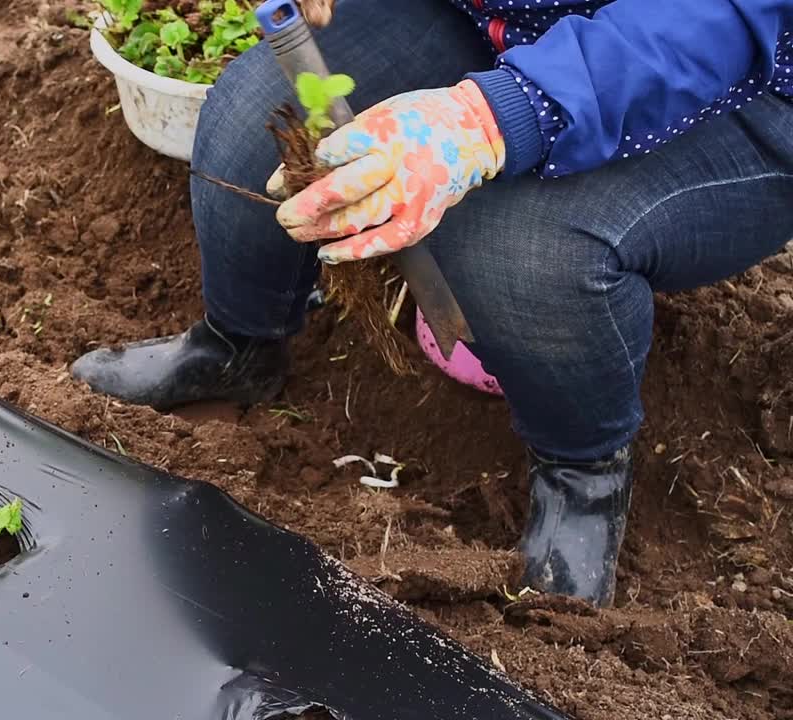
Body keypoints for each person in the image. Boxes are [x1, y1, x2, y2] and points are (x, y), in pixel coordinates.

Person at [71, 0, 793, 607]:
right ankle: (238, 346)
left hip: (731, 71)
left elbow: (717, 15)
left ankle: (584, 469)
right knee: (254, 117)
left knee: (521, 249)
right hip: (497, 15)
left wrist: (490, 118)